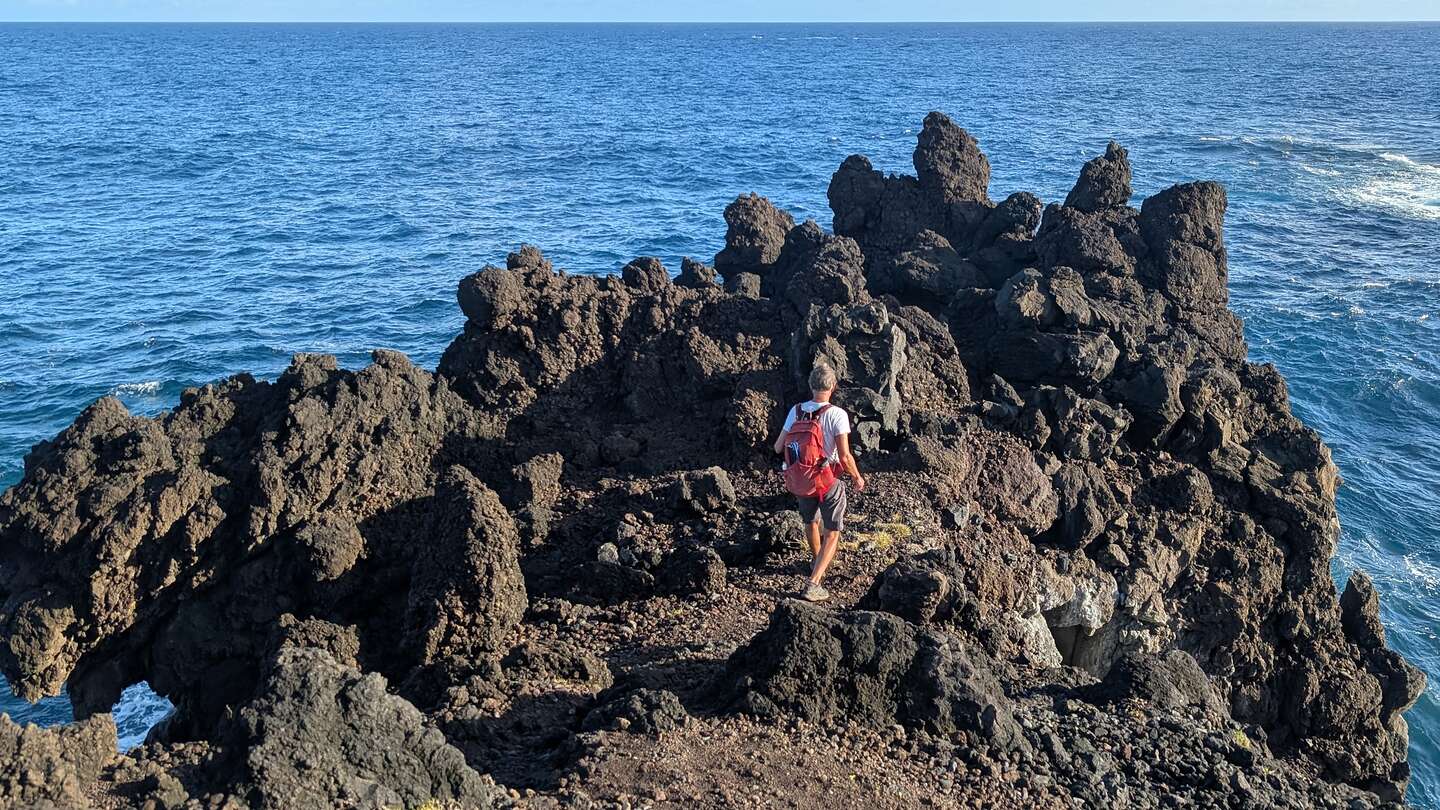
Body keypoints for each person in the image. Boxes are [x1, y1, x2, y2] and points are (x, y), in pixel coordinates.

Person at [773, 364, 866, 602]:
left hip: (800, 479)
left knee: (810, 521)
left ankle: (816, 562)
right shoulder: (837, 414)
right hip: (827, 480)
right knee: (833, 532)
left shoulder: (796, 411)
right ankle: (814, 582)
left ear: (811, 386)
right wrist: (856, 477)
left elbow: (778, 447)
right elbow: (844, 456)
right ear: (833, 387)